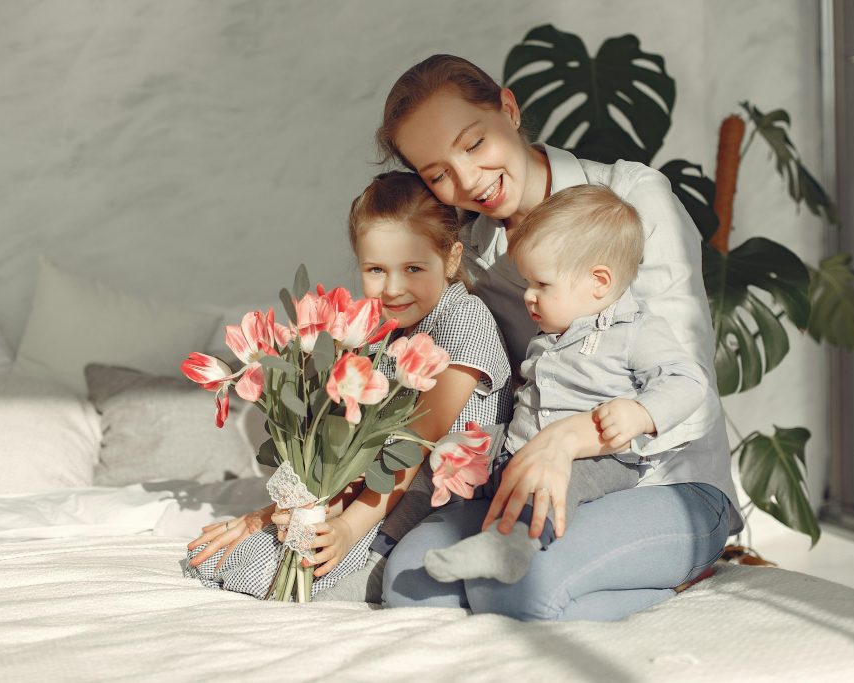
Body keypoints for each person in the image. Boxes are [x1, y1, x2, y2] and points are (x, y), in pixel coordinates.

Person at [377, 54, 744, 621]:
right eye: (437, 173)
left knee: (518, 590)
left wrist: (570, 439)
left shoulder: (632, 199)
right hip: (535, 476)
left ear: (508, 108)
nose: (468, 180)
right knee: (408, 582)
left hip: (665, 482)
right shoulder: (473, 253)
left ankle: (674, 584)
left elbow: (687, 395)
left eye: (474, 144)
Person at [184, 170, 513, 600]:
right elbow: (354, 453)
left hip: (433, 505)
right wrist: (270, 516)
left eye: (413, 268)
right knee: (225, 561)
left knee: (269, 582)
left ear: (451, 259)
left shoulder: (465, 322)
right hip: (373, 494)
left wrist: (345, 528)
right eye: (376, 269)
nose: (393, 288)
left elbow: (411, 446)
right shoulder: (382, 332)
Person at [423, 182, 708, 586]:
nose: (530, 297)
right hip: (521, 443)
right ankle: (464, 481)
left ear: (599, 282)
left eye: (542, 284)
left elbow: (687, 380)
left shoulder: (634, 331)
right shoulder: (549, 338)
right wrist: (478, 446)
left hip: (595, 460)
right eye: (528, 284)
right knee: (465, 443)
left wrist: (641, 412)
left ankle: (512, 546)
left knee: (552, 487)